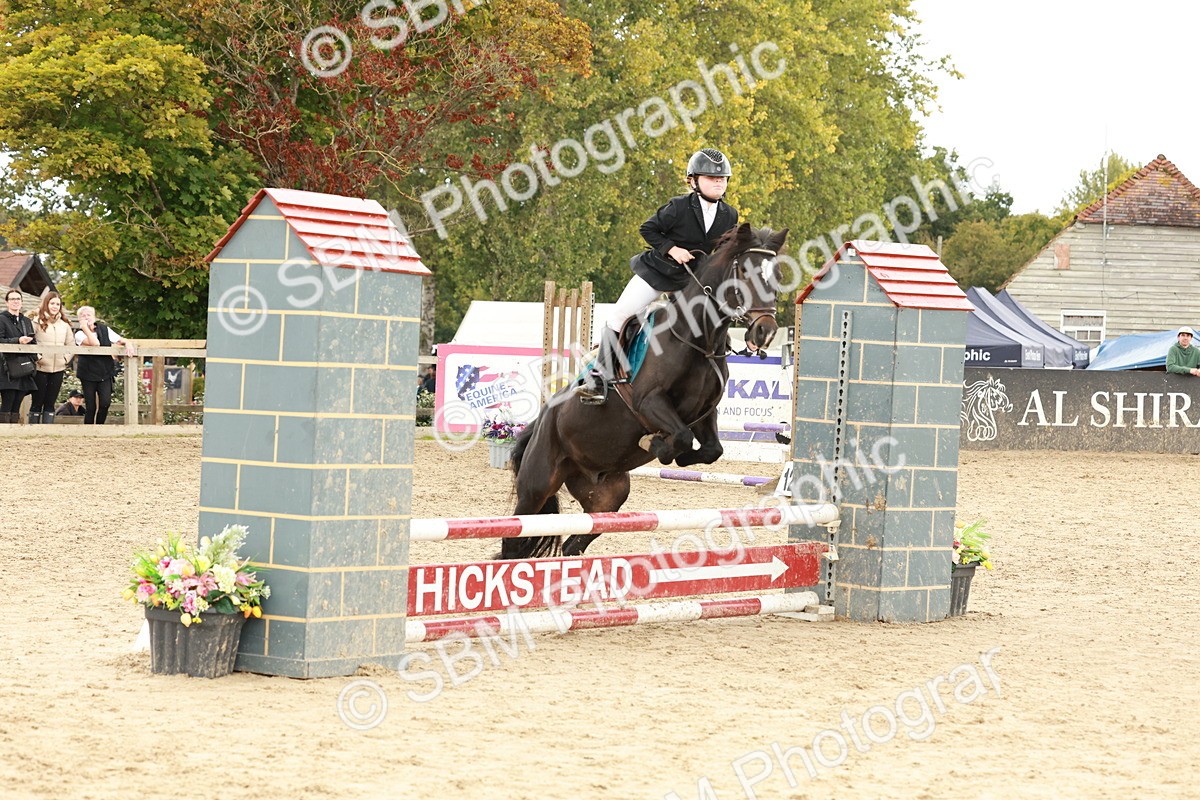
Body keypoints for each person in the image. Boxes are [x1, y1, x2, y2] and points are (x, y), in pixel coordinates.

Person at [575, 148, 740, 402]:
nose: (719, 182)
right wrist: (672, 249)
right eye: (711, 178)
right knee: (620, 315)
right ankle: (599, 377)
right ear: (693, 181)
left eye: (722, 178)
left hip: (689, 281)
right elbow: (648, 229)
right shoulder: (679, 207)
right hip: (658, 272)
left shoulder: (730, 215)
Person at [74, 305, 133, 424]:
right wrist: (85, 328)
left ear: (94, 317)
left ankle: (100, 426)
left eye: (89, 315)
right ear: (79, 319)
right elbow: (95, 343)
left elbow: (119, 340)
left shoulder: (105, 329)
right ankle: (89, 430)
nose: (86, 317)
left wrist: (128, 343)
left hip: (104, 371)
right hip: (87, 372)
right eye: (83, 316)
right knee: (90, 406)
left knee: (105, 403)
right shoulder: (79, 334)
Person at [28, 291, 74, 424]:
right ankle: (33, 428)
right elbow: (31, 342)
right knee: (37, 400)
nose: (55, 306)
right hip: (41, 367)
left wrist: (65, 359)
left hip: (58, 368)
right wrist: (38, 358)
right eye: (52, 303)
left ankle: (47, 430)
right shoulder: (36, 322)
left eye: (58, 304)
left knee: (50, 401)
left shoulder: (65, 325)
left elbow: (71, 344)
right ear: (46, 304)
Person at [0, 287, 38, 423]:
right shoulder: (2, 319)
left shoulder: (26, 321)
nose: (15, 301)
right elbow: (0, 339)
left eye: (18, 299)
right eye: (12, 299)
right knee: (8, 401)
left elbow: (33, 340)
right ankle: (4, 431)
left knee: (18, 401)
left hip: (24, 366)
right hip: (7, 367)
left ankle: (14, 431)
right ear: (7, 302)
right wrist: (17, 340)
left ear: (21, 302)